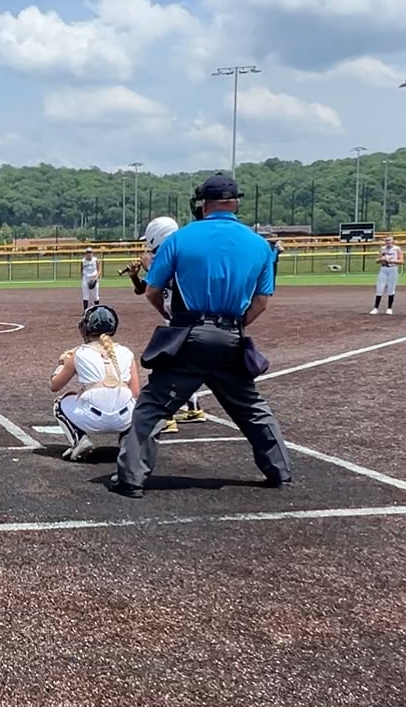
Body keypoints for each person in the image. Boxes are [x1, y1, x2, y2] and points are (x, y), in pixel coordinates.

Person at [112, 173, 292, 497]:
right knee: (251, 408)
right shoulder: (259, 245)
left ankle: (131, 479)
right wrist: (235, 326)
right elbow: (262, 301)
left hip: (189, 334)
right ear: (235, 204)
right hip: (231, 335)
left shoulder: (181, 239)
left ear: (203, 204)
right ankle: (279, 471)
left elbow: (152, 291)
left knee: (152, 408)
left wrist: (174, 319)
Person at [122, 216, 205, 431]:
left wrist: (151, 267)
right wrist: (135, 275)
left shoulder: (178, 255)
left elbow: (174, 282)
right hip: (175, 318)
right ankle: (194, 407)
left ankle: (166, 416)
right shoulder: (165, 256)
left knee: (166, 366)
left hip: (181, 319)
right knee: (183, 365)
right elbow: (145, 289)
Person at [50, 304, 139, 462]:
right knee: (135, 403)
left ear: (86, 329)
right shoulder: (126, 352)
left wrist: (62, 364)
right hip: (124, 418)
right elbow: (136, 392)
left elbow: (55, 385)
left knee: (59, 404)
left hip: (91, 419)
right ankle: (127, 439)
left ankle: (79, 439)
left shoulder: (79, 353)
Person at [369, 237, 403, 315]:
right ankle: (375, 308)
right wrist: (382, 259)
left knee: (391, 288)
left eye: (389, 240)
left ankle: (389, 308)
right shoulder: (383, 249)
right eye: (386, 241)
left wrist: (391, 260)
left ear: (393, 241)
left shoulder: (397, 249)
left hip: (393, 269)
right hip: (383, 269)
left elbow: (401, 261)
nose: (387, 242)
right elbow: (377, 260)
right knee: (380, 288)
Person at [79, 247, 102, 311]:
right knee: (85, 296)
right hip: (86, 279)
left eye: (90, 252)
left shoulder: (95, 260)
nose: (89, 254)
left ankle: (97, 310)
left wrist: (96, 279)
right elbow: (81, 270)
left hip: (94, 278)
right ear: (85, 254)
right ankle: (85, 311)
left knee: (96, 296)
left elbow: (99, 270)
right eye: (88, 252)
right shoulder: (83, 261)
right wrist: (83, 279)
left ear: (92, 253)